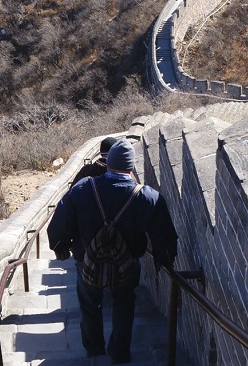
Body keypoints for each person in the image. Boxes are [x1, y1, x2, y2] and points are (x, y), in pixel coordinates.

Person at [48, 139, 178, 364]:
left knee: (89, 306)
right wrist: (163, 261)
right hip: (126, 266)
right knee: (124, 306)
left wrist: (60, 247)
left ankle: (94, 349)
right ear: (131, 167)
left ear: (107, 164)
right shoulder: (148, 197)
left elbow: (59, 223)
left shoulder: (83, 188)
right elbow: (164, 236)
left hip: (87, 262)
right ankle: (119, 353)